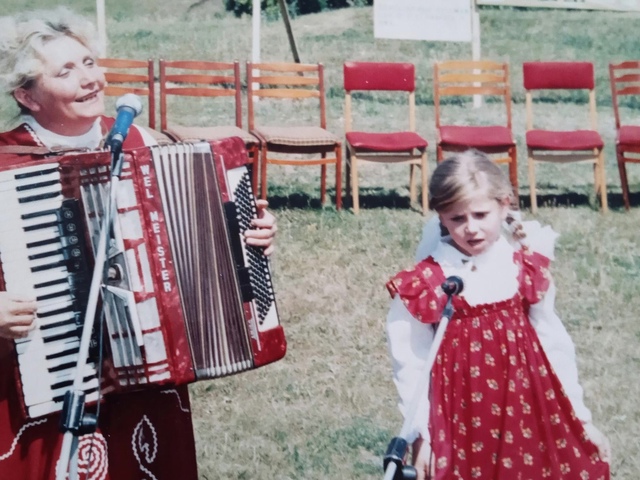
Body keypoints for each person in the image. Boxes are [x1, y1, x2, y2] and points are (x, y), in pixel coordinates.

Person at [0, 7, 277, 480]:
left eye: (89, 63)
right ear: (27, 95)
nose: (90, 80)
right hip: (41, 368)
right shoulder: (6, 162)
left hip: (145, 368)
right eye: (65, 71)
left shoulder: (138, 142)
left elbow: (199, 242)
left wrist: (250, 239)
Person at [385, 150, 610, 480]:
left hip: (528, 404)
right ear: (441, 216)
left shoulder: (522, 268)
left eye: (480, 214)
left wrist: (581, 416)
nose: (470, 229)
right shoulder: (426, 283)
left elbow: (553, 344)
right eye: (457, 218)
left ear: (504, 205)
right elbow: (413, 364)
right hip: (460, 414)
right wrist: (422, 436)